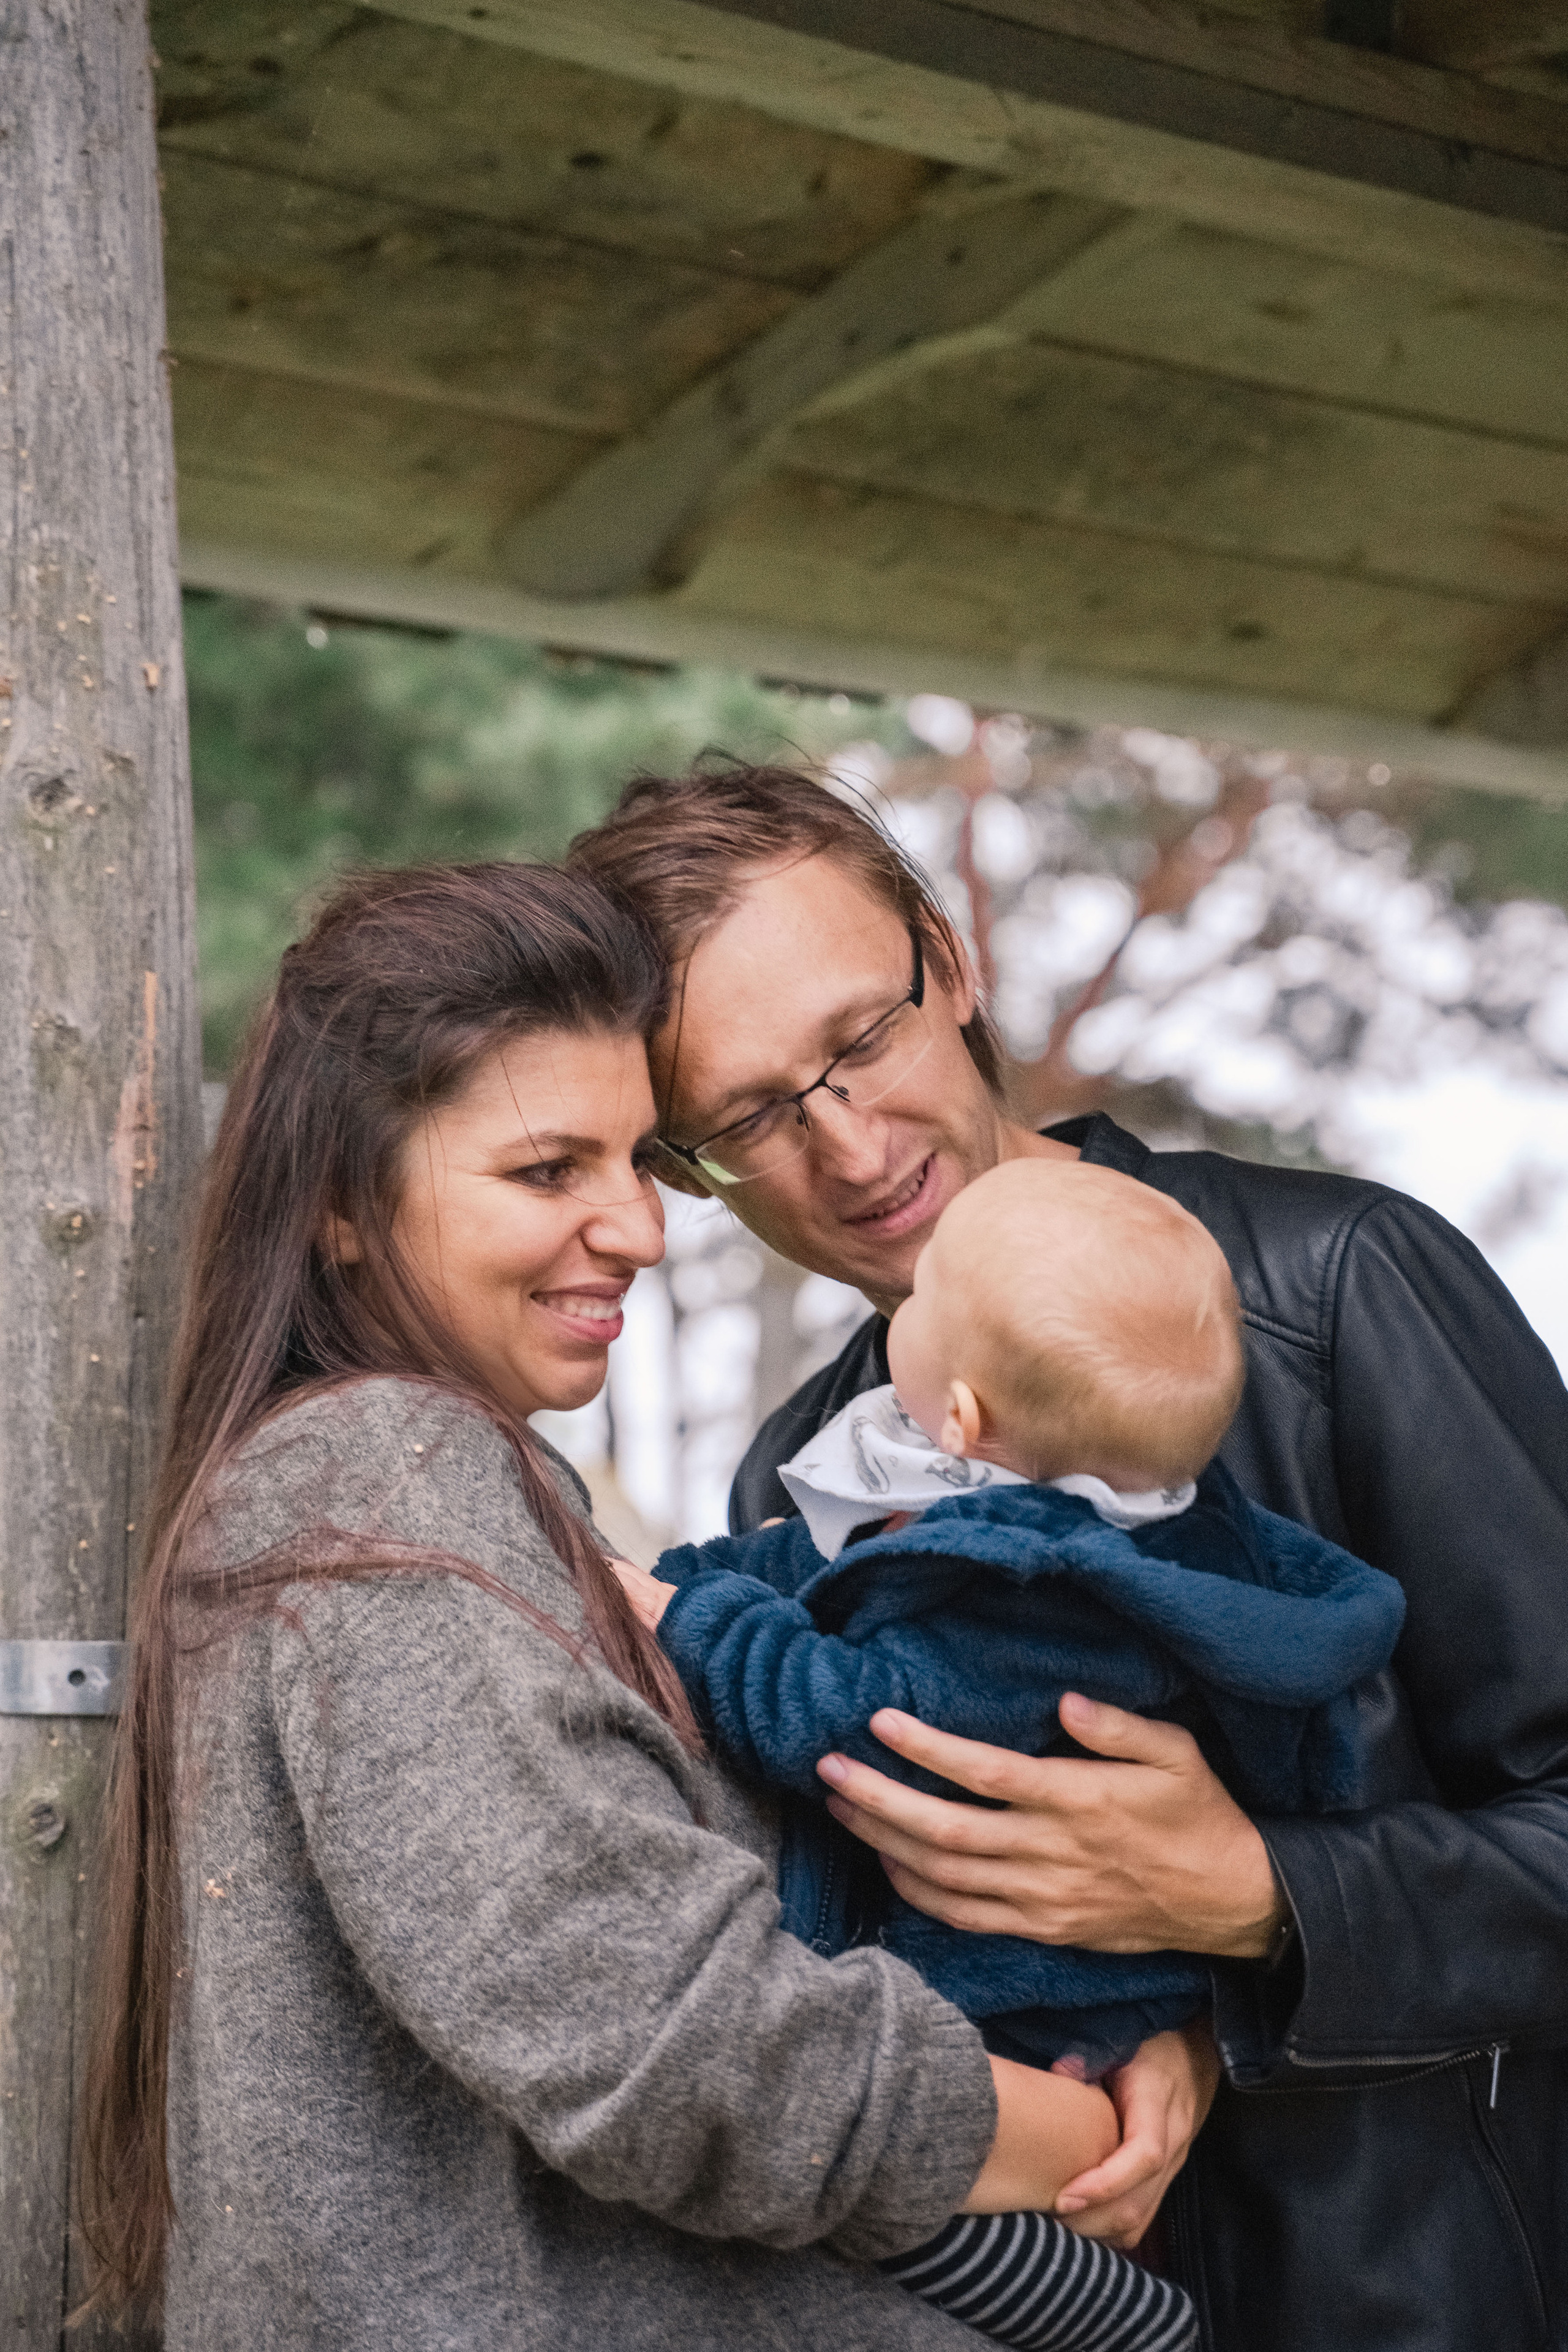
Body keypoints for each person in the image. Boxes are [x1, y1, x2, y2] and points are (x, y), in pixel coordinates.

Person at [570, 766, 1568, 2352]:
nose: (847, 1143)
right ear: (687, 1170)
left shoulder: (1338, 1292)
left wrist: (1255, 1903)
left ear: (949, 966)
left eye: (860, 1040)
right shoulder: (792, 1477)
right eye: (754, 1113)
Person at [80, 862, 1129, 2350]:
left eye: (640, 1159)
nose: (638, 1228)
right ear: (336, 1210)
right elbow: (660, 2040)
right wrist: (1072, 2135)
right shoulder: (386, 1466)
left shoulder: (428, 1482)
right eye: (545, 1171)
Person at [613, 1156, 1406, 2352]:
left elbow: (845, 1724)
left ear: (966, 1418)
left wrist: (679, 1620)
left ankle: (1139, 2331)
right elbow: (814, 1570)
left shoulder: (1040, 1599)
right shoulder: (1062, 1517)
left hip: (1027, 2019)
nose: (895, 1318)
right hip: (1031, 1994)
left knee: (899, 2206)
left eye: (921, 1298)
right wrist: (682, 1579)